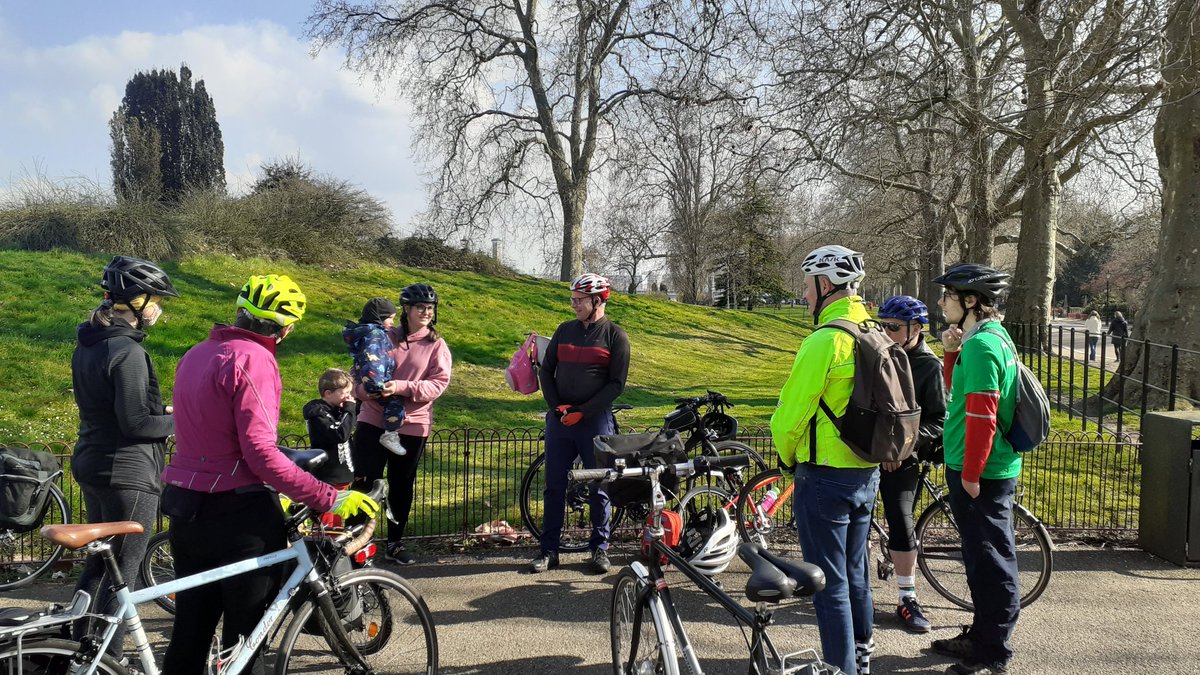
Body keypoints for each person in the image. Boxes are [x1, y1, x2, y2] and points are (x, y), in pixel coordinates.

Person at [161, 274, 379, 675]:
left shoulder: (196, 354)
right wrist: (329, 497)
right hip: (239, 515)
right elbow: (259, 452)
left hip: (185, 507)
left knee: (189, 638)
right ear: (286, 328)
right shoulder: (254, 359)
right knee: (243, 647)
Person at [769, 245, 877, 675]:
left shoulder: (826, 339)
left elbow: (789, 417)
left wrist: (785, 459)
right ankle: (862, 657)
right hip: (866, 472)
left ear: (826, 283)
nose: (806, 295)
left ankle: (840, 668)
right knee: (856, 573)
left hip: (825, 475)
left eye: (809, 286)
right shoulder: (874, 329)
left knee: (827, 583)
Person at [70, 255, 179, 659]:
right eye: (155, 300)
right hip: (127, 472)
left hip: (93, 463)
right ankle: (107, 660)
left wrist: (160, 414)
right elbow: (134, 424)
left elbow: (114, 409)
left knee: (99, 568)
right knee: (122, 578)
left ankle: (77, 649)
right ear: (136, 301)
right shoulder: (128, 352)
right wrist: (180, 422)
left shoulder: (90, 342)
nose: (157, 308)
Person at [931, 262, 1021, 675]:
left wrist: (970, 474)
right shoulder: (980, 340)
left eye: (947, 295)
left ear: (970, 301)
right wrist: (951, 352)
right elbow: (958, 394)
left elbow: (982, 416)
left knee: (991, 560)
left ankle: (993, 652)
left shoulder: (984, 345)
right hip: (974, 467)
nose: (941, 302)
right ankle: (981, 637)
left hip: (982, 473)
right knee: (979, 557)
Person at [528, 273, 630, 575]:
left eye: (578, 301)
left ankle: (599, 549)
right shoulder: (564, 330)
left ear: (597, 300)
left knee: (600, 486)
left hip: (594, 421)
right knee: (554, 486)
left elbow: (616, 385)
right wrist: (556, 406)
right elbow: (546, 371)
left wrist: (583, 412)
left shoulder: (615, 336)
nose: (573, 305)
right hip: (560, 420)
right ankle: (549, 550)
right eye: (572, 300)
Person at [352, 283, 452, 566]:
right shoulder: (384, 336)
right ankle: (359, 541)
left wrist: (401, 387)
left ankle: (395, 543)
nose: (426, 313)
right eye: (420, 307)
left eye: (430, 308)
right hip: (372, 418)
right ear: (406, 309)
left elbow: (438, 384)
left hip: (412, 424)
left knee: (401, 483)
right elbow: (359, 369)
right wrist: (363, 392)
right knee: (365, 479)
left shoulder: (436, 345)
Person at [876, 295, 947, 634]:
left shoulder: (928, 365)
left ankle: (907, 599)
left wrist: (903, 448)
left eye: (893, 327)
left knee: (901, 523)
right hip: (870, 452)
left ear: (916, 328)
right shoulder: (880, 355)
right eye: (882, 325)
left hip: (905, 458)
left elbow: (939, 419)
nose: (886, 332)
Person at [343, 298, 407, 455]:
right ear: (379, 317)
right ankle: (390, 434)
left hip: (366, 376)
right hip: (374, 379)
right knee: (395, 402)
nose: (393, 322)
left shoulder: (365, 332)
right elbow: (374, 358)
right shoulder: (376, 334)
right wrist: (377, 384)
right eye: (390, 318)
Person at [304, 367, 358, 526]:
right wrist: (349, 410)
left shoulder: (339, 410)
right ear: (328, 393)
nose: (348, 397)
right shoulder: (319, 414)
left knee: (338, 518)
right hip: (328, 475)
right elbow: (340, 435)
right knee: (326, 517)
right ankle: (322, 545)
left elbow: (349, 438)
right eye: (344, 393)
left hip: (343, 475)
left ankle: (334, 545)